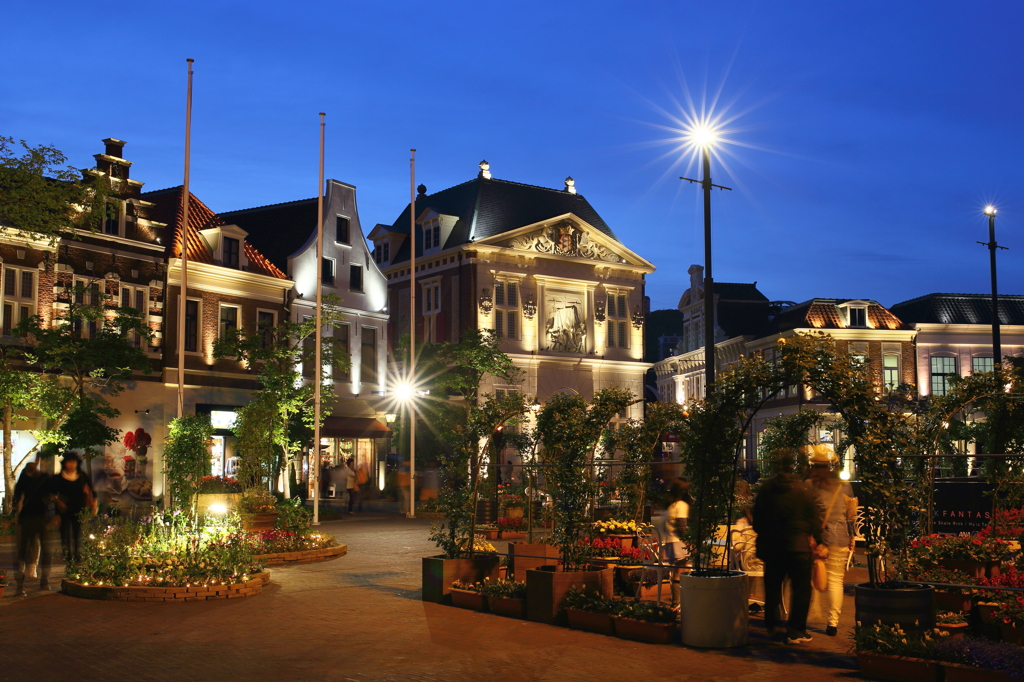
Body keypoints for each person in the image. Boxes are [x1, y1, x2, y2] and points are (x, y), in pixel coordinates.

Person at [753, 449, 823, 645]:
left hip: (773, 546)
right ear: (797, 468)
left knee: (773, 588)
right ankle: (796, 630)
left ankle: (772, 626)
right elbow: (814, 520)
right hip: (798, 547)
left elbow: (757, 519)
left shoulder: (767, 488)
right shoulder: (803, 491)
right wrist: (819, 540)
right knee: (801, 591)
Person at [806, 446, 858, 636]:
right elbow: (850, 514)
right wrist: (852, 536)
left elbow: (808, 513)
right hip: (840, 536)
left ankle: (812, 610)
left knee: (814, 575)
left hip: (817, 538)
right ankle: (833, 623)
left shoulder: (809, 485)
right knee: (836, 580)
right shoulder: (843, 485)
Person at [13, 452, 55, 595]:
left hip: (41, 516)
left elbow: (52, 494)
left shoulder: (45, 478)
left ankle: (43, 580)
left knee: (43, 549)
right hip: (27, 517)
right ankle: (21, 583)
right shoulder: (25, 477)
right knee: (23, 549)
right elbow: (17, 495)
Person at [50, 452, 97, 563]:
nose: (71, 464)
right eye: (69, 462)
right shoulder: (58, 477)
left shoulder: (82, 476)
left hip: (78, 506)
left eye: (73, 462)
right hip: (63, 508)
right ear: (65, 463)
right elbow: (52, 493)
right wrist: (57, 501)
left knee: (77, 532)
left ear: (77, 463)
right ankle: (67, 555)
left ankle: (77, 553)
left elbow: (92, 490)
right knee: (64, 533)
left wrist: (91, 499)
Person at [661, 477, 692, 610]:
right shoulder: (681, 506)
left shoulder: (670, 506)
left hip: (669, 542)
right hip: (678, 543)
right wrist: (689, 542)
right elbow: (682, 527)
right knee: (680, 572)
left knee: (677, 572)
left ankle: (677, 602)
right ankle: (677, 603)